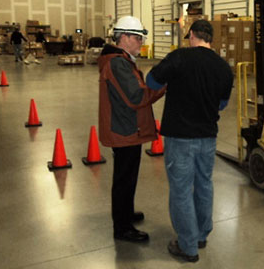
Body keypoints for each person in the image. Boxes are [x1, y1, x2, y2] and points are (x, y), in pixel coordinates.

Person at [146, 20, 233, 262]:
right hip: (207, 137)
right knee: (204, 185)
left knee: (182, 190)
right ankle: (202, 234)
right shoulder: (224, 68)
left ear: (192, 35)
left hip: (180, 137)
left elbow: (151, 81)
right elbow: (222, 104)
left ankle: (188, 246)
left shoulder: (179, 57)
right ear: (211, 40)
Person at [98, 16, 165, 243]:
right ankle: (122, 227)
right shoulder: (117, 63)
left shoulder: (122, 60)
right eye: (137, 38)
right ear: (124, 37)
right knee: (124, 179)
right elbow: (136, 96)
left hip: (127, 128)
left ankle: (125, 214)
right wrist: (163, 86)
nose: (140, 43)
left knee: (128, 177)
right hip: (124, 130)